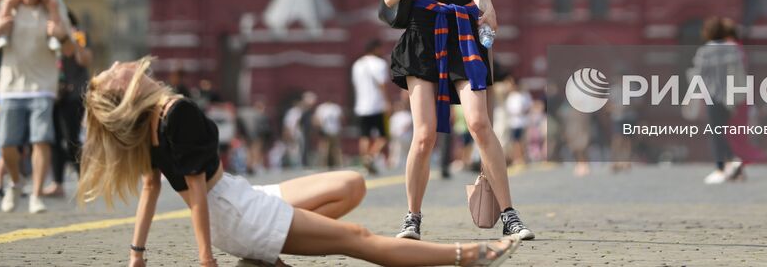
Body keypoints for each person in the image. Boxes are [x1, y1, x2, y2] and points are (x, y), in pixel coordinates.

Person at [79, 58, 519, 267]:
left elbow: (153, 189)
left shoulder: (155, 121)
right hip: (236, 212)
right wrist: (205, 258)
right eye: (113, 72)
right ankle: (468, 256)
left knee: (352, 185)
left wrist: (136, 256)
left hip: (238, 200)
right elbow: (193, 191)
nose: (118, 64)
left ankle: (262, 255)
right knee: (357, 238)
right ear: (126, 89)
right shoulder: (175, 112)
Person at [384, 0, 535, 242]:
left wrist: (489, 5)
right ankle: (412, 218)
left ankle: (510, 215)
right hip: (422, 34)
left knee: (480, 124)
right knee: (424, 136)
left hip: (462, 34)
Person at [0, 0, 73, 214]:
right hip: (11, 87)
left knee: (41, 141)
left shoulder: (53, 10)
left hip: (43, 87)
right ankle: (15, 182)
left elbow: (69, 50)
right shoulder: (8, 10)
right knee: (6, 144)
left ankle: (35, 194)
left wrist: (61, 34)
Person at [691, 17, 746, 184]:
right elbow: (741, 71)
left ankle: (721, 167)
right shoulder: (733, 49)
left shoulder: (705, 51)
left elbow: (698, 74)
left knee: (715, 132)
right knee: (722, 130)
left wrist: (694, 96)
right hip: (731, 97)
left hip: (713, 96)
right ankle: (732, 164)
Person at [46, 24, 93, 195]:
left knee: (71, 138)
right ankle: (57, 183)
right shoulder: (46, 32)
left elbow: (85, 60)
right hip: (52, 92)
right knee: (54, 139)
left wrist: (72, 40)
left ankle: (85, 180)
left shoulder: (79, 33)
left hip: (73, 94)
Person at [352, 39, 391, 175]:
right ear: (375, 49)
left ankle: (365, 160)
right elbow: (382, 85)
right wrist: (387, 102)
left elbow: (356, 86)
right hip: (377, 105)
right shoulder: (380, 64)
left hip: (361, 106)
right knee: (384, 136)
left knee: (364, 136)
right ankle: (370, 156)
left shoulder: (357, 65)